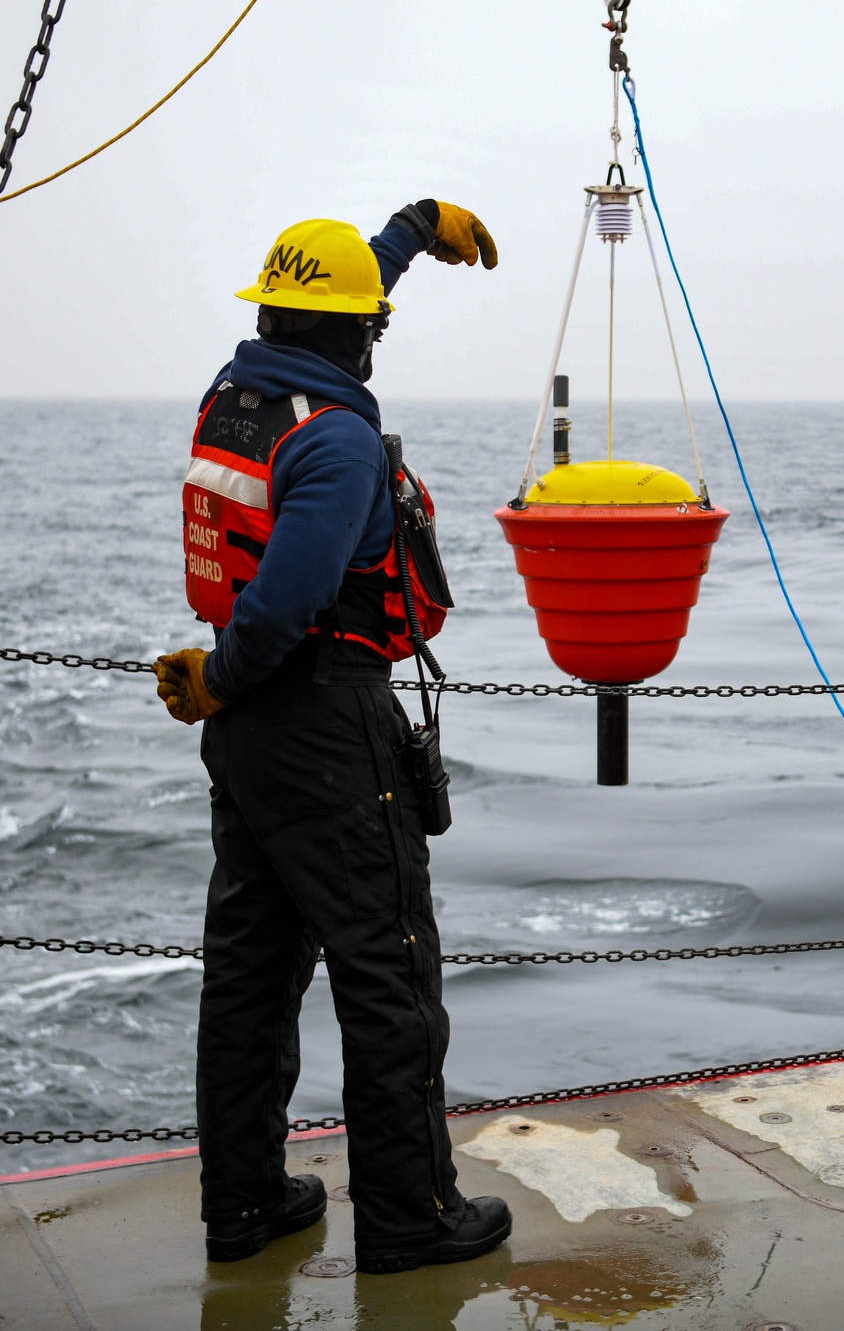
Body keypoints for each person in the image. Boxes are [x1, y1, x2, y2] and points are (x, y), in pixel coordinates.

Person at [154, 201, 512, 1272]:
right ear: (355, 333)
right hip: (319, 718)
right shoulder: (339, 441)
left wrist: (404, 233)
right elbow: (290, 595)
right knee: (386, 968)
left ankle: (247, 1204)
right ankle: (410, 1216)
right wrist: (224, 674)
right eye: (373, 320)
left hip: (250, 737)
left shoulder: (240, 398)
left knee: (250, 974)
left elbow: (335, 298)